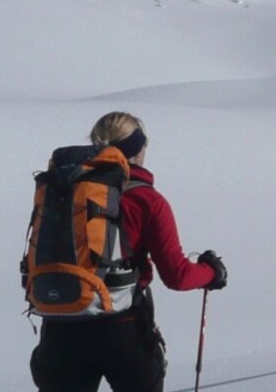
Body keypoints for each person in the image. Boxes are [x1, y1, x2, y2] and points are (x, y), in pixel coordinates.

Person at [29, 112, 228, 392]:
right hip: (122, 329)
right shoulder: (147, 200)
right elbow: (177, 275)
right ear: (137, 149)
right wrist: (211, 273)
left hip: (61, 326)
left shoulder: (63, 190)